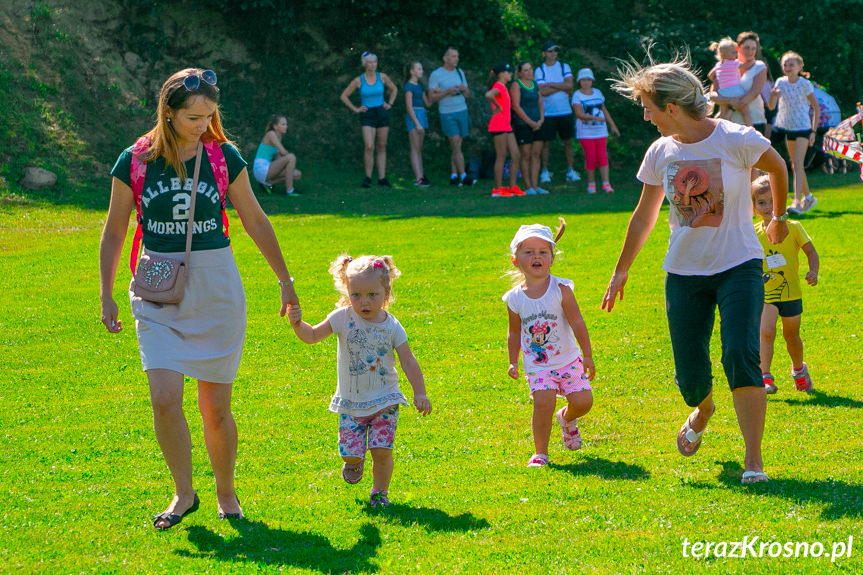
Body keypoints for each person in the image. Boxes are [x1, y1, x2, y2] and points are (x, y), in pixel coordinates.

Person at [99, 68, 299, 529]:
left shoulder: (223, 155)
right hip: (156, 286)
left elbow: (253, 217)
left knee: (215, 407)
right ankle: (183, 494)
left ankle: (226, 495)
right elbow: (114, 230)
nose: (202, 125)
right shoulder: (135, 159)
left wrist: (285, 279)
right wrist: (107, 293)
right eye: (192, 117)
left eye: (209, 115)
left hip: (216, 287)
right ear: (167, 113)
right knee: (164, 398)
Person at [602, 55, 790, 485]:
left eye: (648, 107)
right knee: (690, 371)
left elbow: (777, 166)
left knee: (740, 354)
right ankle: (702, 409)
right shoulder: (660, 151)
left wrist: (777, 217)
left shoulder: (735, 138)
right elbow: (644, 215)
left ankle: (754, 461)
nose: (646, 116)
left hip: (739, 264)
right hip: (684, 273)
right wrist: (621, 270)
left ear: (671, 107)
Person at [287, 255, 432, 508]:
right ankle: (355, 461)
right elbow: (311, 336)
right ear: (348, 291)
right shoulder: (342, 318)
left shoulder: (392, 326)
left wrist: (420, 393)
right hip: (352, 403)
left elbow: (408, 361)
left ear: (386, 292)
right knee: (350, 454)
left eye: (372, 295)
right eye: (356, 295)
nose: (364, 302)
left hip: (385, 400)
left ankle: (379, 494)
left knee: (382, 450)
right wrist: (297, 322)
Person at [503, 220, 595, 467]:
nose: (537, 257)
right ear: (516, 260)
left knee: (584, 402)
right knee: (543, 403)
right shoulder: (514, 298)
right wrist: (513, 361)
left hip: (568, 360)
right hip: (539, 365)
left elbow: (577, 322)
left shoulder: (562, 289)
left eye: (543, 252)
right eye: (529, 252)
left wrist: (587, 355)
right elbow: (513, 333)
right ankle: (540, 453)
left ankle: (566, 418)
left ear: (552, 258)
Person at [751, 174, 819, 394]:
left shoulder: (794, 227)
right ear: (753, 207)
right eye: (761, 202)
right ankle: (765, 376)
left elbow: (811, 251)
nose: (768, 206)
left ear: (782, 199)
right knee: (766, 332)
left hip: (791, 292)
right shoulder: (753, 233)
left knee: (791, 336)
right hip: (767, 294)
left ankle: (799, 369)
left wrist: (813, 271)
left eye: (772, 200)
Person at [768, 51, 820, 215]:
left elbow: (816, 108)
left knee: (797, 164)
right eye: (785, 64)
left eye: (791, 64)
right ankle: (809, 197)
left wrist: (813, 131)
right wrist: (772, 96)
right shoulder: (780, 83)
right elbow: (771, 107)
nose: (787, 67)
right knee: (795, 165)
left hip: (803, 128)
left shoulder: (804, 84)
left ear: (799, 67)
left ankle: (797, 202)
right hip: (788, 128)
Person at [340, 52, 398, 188]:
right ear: (364, 64)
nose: (372, 64)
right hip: (367, 114)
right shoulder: (358, 80)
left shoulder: (382, 77)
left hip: (381, 112)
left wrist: (390, 103)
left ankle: (382, 178)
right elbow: (344, 96)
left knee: (382, 146)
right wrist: (355, 109)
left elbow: (394, 89)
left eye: (375, 62)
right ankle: (368, 178)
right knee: (369, 146)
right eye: (370, 62)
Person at [535, 41, 580, 184]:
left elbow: (570, 85)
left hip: (565, 111)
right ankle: (545, 171)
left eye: (555, 51)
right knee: (546, 143)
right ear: (544, 54)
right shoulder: (539, 70)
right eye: (550, 51)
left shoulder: (563, 67)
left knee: (568, 142)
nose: (553, 53)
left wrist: (552, 85)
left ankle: (570, 170)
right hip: (548, 113)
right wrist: (562, 87)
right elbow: (542, 91)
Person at [429, 47, 475, 186]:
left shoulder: (459, 72)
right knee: (455, 144)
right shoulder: (436, 74)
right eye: (453, 56)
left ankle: (454, 175)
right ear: (445, 58)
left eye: (457, 56)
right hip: (447, 113)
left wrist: (463, 89)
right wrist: (447, 92)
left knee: (457, 145)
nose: (456, 59)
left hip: (462, 110)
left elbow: (467, 95)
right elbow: (431, 97)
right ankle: (464, 176)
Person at [571, 68, 620, 194]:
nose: (586, 82)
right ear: (579, 81)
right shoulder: (577, 95)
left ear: (592, 81)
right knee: (591, 156)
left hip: (600, 131)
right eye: (583, 80)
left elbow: (604, 110)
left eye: (588, 79)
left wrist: (612, 125)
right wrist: (594, 118)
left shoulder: (598, 93)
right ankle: (591, 184)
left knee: (602, 156)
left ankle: (606, 184)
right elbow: (579, 114)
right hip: (585, 132)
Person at [710, 31, 768, 133]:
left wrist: (730, 109)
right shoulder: (723, 67)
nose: (750, 51)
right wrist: (729, 102)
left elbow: (753, 94)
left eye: (753, 48)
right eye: (746, 47)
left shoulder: (759, 66)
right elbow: (713, 95)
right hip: (729, 123)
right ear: (738, 48)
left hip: (754, 121)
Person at [486, 62, 524, 197]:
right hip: (498, 125)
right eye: (508, 72)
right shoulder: (498, 86)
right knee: (501, 156)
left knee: (516, 154)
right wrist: (497, 106)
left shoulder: (503, 87)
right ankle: (497, 189)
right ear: (501, 74)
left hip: (506, 126)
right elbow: (489, 94)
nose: (510, 74)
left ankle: (512, 187)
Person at [510, 61, 547, 195]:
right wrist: (530, 122)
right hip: (523, 124)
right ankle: (528, 186)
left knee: (536, 154)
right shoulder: (516, 85)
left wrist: (541, 119)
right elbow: (516, 106)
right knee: (525, 155)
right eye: (526, 70)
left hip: (538, 123)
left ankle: (535, 185)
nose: (529, 72)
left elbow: (540, 102)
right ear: (520, 73)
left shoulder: (535, 84)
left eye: (530, 69)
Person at [252, 114, 302, 195]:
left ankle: (267, 184)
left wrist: (287, 166)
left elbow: (277, 156)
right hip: (261, 168)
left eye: (286, 124)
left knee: (297, 175)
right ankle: (290, 190)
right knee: (291, 157)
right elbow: (283, 152)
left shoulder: (279, 137)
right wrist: (288, 161)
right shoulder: (271, 134)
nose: (286, 126)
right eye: (283, 124)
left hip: (268, 167)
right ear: (275, 126)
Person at [707, 38, 752, 125]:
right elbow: (744, 66)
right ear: (724, 54)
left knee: (723, 111)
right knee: (745, 109)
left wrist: (719, 80)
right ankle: (750, 127)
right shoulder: (734, 63)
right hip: (735, 90)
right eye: (733, 52)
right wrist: (751, 62)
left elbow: (710, 75)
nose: (736, 54)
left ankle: (726, 122)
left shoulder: (718, 65)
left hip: (723, 91)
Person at [404, 61, 431, 187]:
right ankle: (418, 178)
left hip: (422, 115)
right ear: (412, 71)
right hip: (414, 117)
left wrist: (435, 92)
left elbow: (428, 103)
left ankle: (421, 175)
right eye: (419, 69)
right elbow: (409, 107)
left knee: (419, 148)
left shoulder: (420, 86)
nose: (422, 71)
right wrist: (417, 123)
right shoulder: (408, 87)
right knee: (414, 148)